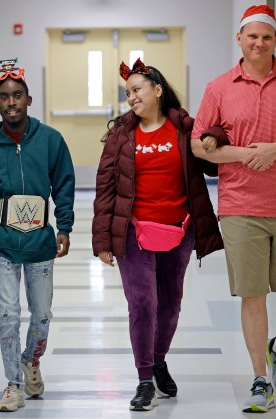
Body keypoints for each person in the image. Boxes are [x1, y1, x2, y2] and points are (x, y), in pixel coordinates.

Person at [191, 5, 276, 414]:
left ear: (275, 41)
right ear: (240, 39)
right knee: (252, 294)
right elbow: (199, 144)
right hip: (241, 206)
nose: (259, 43)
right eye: (252, 36)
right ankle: (258, 380)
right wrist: (241, 155)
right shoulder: (220, 87)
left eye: (266, 37)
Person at [92, 58, 226, 412]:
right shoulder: (121, 135)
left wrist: (216, 137)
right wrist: (102, 240)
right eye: (127, 93)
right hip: (134, 233)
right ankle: (144, 379)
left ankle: (158, 359)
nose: (132, 97)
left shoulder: (184, 128)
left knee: (170, 305)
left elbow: (213, 165)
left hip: (180, 232)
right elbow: (105, 189)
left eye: (137, 90)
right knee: (142, 304)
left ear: (157, 90)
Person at [0, 58, 75, 412]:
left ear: (29, 100)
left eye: (18, 95)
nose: (11, 102)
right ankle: (13, 383)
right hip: (2, 242)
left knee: (42, 314)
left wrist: (65, 226)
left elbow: (63, 184)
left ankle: (31, 359)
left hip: (40, 242)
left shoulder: (50, 140)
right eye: (4, 96)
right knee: (8, 315)